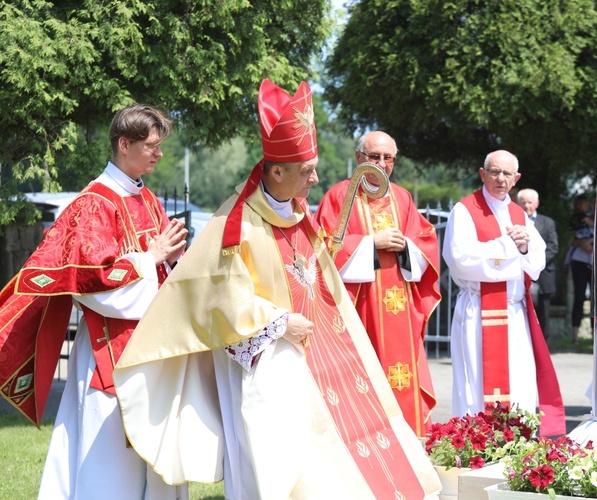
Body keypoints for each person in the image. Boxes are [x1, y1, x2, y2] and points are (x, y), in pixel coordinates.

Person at [113, 80, 440, 499]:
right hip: (264, 360)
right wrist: (279, 322)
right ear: (277, 171)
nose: (315, 179)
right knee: (273, 456)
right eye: (306, 172)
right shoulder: (237, 223)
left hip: (315, 353)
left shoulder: (298, 211)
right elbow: (218, 295)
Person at [0, 104, 188, 499]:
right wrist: (151, 258)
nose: (159, 153)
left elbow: (155, 271)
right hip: (109, 348)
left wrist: (169, 261)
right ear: (125, 144)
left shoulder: (147, 198)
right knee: (108, 464)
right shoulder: (94, 203)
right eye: (152, 146)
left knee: (153, 458)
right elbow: (93, 284)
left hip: (149, 345)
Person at [314, 131, 441, 437]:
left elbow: (426, 242)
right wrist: (372, 243)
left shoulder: (402, 197)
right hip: (361, 307)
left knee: (401, 376)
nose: (381, 164)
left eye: (387, 158)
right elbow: (323, 247)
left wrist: (406, 247)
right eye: (374, 156)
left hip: (400, 306)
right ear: (359, 158)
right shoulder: (340, 196)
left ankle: (410, 441)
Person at [442, 150, 565, 436]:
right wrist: (509, 247)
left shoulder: (517, 212)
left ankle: (515, 440)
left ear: (516, 179)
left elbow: (537, 262)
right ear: (482, 174)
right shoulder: (465, 210)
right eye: (494, 172)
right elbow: (459, 259)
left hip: (513, 311)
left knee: (518, 377)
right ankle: (475, 442)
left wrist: (523, 247)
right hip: (477, 310)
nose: (500, 178)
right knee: (476, 379)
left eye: (506, 174)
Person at [517, 188, 559, 340]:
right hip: (519, 275)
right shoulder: (513, 221)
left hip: (544, 275)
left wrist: (535, 264)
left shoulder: (547, 223)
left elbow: (553, 247)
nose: (527, 206)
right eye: (523, 203)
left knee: (543, 315)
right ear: (517, 203)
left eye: (530, 202)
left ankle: (544, 349)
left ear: (537, 204)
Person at [565, 194, 594, 343]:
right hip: (579, 260)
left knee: (595, 298)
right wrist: (583, 243)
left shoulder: (594, 216)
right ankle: (575, 336)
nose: (587, 206)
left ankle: (595, 335)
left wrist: (590, 241)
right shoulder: (574, 218)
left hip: (593, 259)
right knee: (579, 296)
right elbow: (572, 238)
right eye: (584, 204)